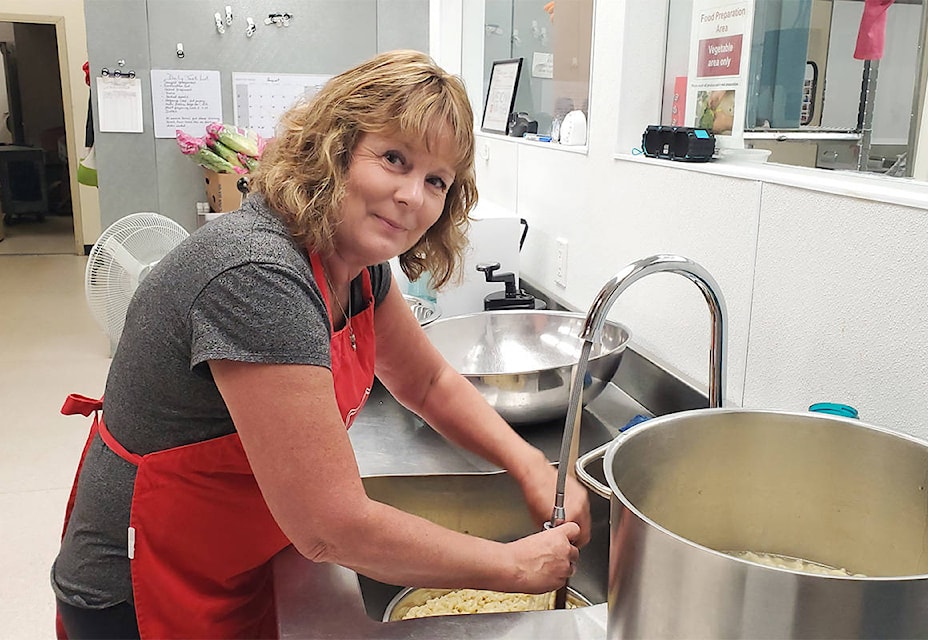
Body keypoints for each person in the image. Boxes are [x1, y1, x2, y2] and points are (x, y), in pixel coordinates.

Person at [52, 49, 590, 639]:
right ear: (335, 149)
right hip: (139, 588)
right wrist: (512, 566)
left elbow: (426, 382)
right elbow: (329, 526)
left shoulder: (356, 265)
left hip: (233, 558)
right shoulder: (257, 275)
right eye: (393, 158)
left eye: (436, 179)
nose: (413, 196)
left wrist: (531, 464)